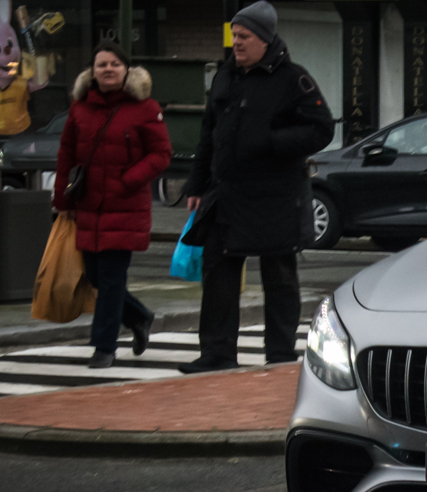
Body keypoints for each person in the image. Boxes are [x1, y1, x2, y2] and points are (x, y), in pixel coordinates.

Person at [178, 1, 334, 374]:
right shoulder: (224, 77)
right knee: (217, 274)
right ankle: (217, 353)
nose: (238, 44)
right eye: (235, 36)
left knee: (279, 278)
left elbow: (321, 129)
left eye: (245, 36)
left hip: (276, 197)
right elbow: (208, 135)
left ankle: (280, 355)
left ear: (265, 40)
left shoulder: (293, 79)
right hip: (226, 194)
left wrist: (272, 141)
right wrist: (196, 184)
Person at [53, 40, 171, 369]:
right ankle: (140, 316)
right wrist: (61, 198)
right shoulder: (79, 109)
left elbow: (161, 154)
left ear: (125, 70)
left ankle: (104, 347)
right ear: (92, 71)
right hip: (89, 205)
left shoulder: (146, 108)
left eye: (114, 64)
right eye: (102, 64)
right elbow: (67, 154)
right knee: (95, 276)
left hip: (126, 206)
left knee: (112, 277)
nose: (108, 69)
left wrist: (128, 180)